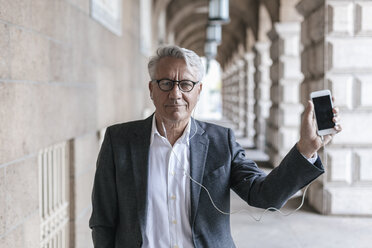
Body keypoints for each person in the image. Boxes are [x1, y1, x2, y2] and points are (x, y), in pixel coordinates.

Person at [89, 45, 342, 248]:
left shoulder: (221, 141)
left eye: (185, 84)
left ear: (198, 91)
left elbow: (265, 195)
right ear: (151, 89)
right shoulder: (119, 140)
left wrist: (306, 149)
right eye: (166, 83)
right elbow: (103, 219)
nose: (175, 94)